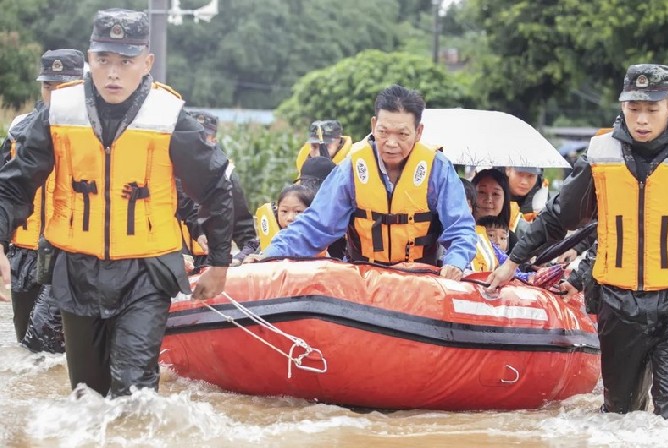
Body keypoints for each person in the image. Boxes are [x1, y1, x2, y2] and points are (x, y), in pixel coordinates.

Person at [0, 9, 233, 397]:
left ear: (147, 63)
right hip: (75, 268)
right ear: (89, 58)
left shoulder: (169, 116)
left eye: (126, 61)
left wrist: (220, 262)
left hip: (146, 272)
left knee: (133, 390)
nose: (113, 73)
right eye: (104, 59)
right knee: (87, 394)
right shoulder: (60, 112)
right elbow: (15, 184)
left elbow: (215, 187)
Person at [488, 64, 668, 428]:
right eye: (633, 108)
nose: (641, 119)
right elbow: (558, 215)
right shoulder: (600, 155)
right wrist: (512, 262)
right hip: (619, 302)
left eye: (652, 109)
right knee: (619, 414)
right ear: (622, 106)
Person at [247, 85, 476, 280]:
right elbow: (315, 226)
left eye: (402, 134)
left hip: (420, 281)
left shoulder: (437, 168)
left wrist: (455, 263)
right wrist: (270, 255)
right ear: (374, 125)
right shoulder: (352, 168)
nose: (391, 143)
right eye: (384, 132)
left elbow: (461, 228)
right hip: (364, 282)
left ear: (418, 132)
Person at [0, 49, 85, 352]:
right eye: (48, 87)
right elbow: (5, 189)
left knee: (45, 339)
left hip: (69, 253)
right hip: (24, 252)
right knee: (27, 347)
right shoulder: (19, 130)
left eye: (64, 88)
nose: (54, 95)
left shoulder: (95, 134)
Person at [179, 110, 255, 271]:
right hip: (175, 259)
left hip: (210, 261)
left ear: (214, 140)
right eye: (193, 137)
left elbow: (242, 226)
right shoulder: (166, 169)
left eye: (203, 137)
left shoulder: (226, 174)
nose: (197, 143)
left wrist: (246, 254)